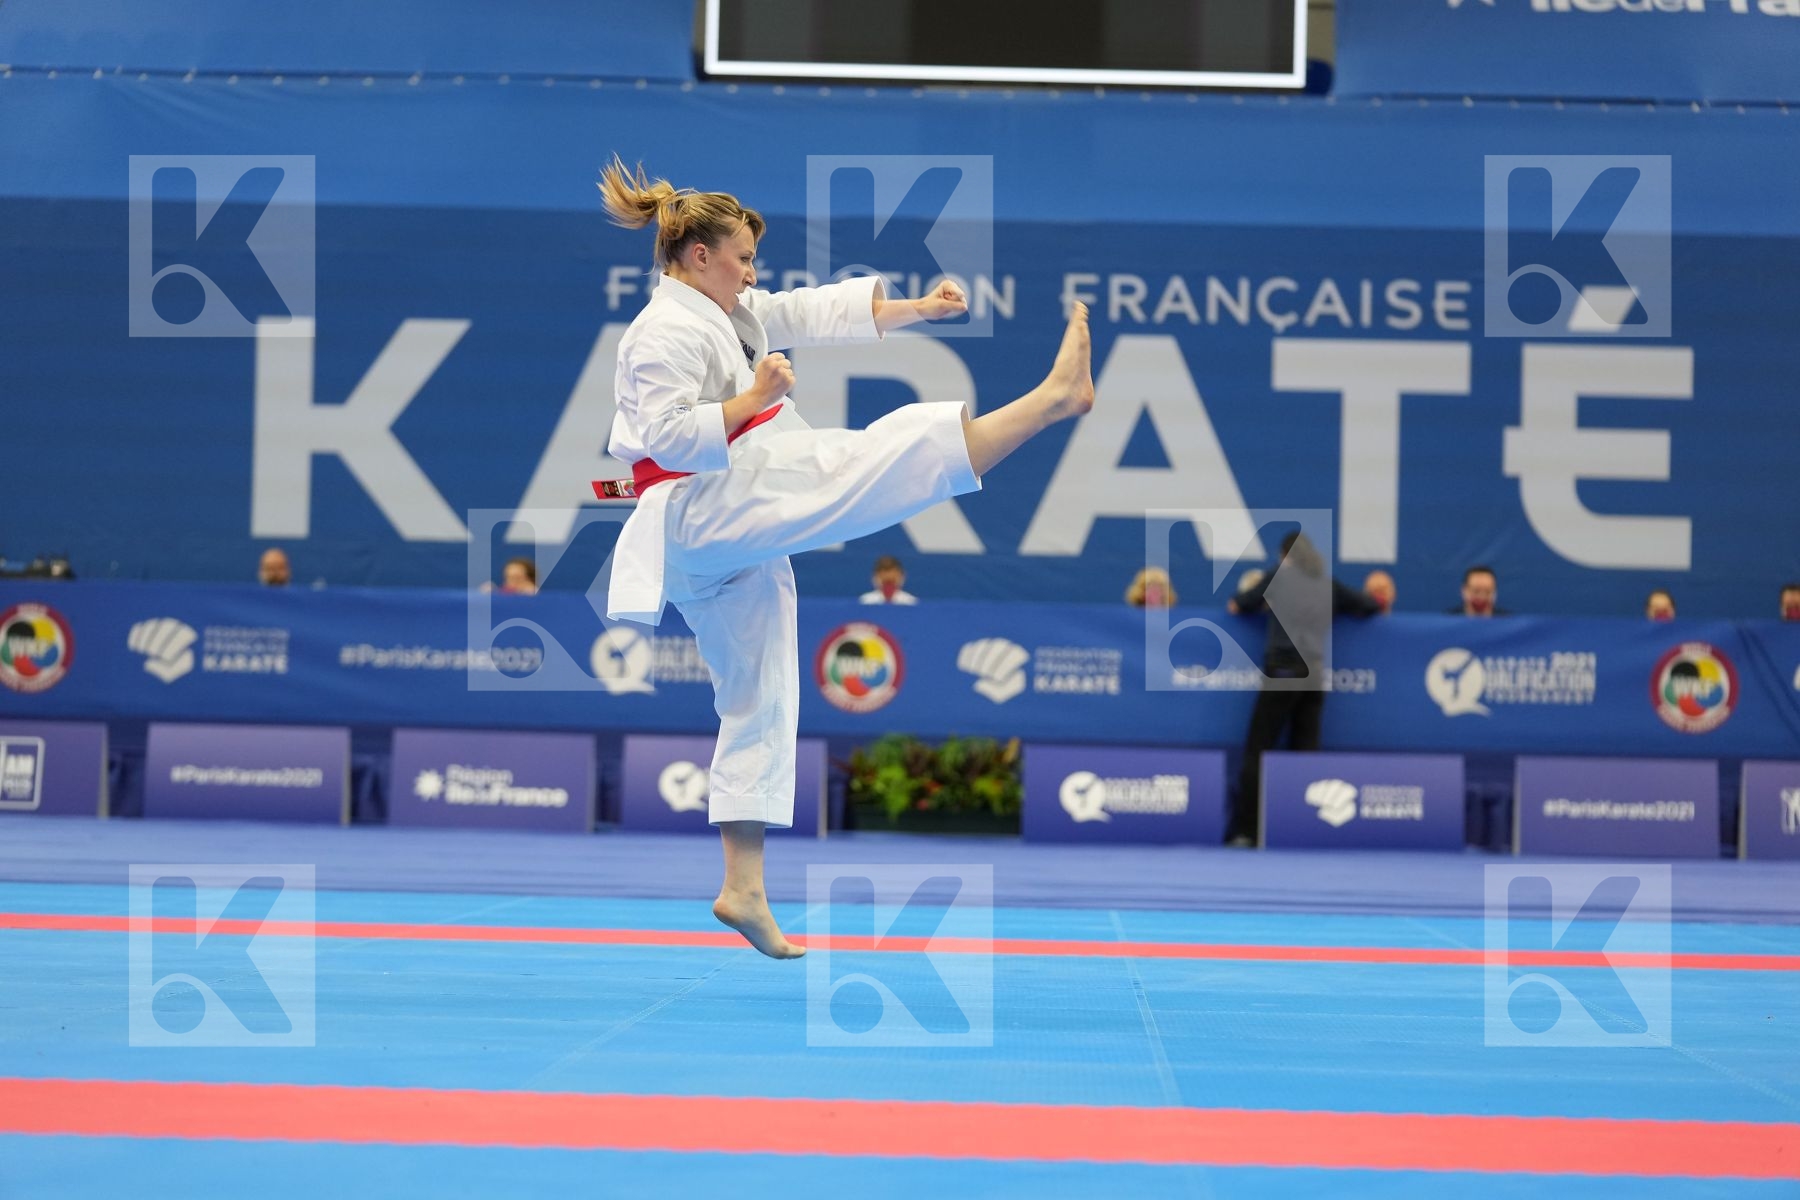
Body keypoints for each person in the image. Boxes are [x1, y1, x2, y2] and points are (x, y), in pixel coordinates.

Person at [597, 159, 1093, 958]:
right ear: (697, 257)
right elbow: (658, 436)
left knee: (760, 690)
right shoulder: (662, 331)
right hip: (696, 504)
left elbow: (804, 311)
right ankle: (1052, 401)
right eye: (742, 259)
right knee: (863, 463)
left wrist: (917, 308)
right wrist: (753, 401)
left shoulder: (725, 310)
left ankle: (743, 887)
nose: (751, 274)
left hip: (722, 527)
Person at [1223, 532, 1382, 846]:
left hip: (1283, 670)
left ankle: (1247, 831)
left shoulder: (1278, 579)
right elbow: (1368, 606)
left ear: (1284, 555)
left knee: (1259, 750)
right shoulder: (1327, 584)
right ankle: (1300, 830)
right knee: (1305, 752)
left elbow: (1236, 605)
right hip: (1313, 675)